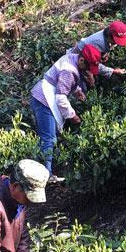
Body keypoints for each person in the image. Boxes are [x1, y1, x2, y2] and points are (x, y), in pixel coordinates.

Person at [29, 44, 101, 176]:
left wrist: (77, 90)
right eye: (88, 67)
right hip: (44, 100)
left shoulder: (72, 57)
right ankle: (46, 174)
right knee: (48, 138)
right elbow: (61, 98)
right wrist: (72, 115)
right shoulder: (69, 71)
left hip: (41, 97)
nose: (89, 72)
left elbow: (63, 82)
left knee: (49, 136)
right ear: (81, 60)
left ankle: (44, 169)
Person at [68, 20, 126, 84]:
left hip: (86, 56)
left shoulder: (108, 34)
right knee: (83, 82)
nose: (116, 43)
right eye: (115, 41)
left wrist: (105, 54)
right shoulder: (98, 42)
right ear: (109, 36)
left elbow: (110, 45)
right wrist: (113, 71)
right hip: (76, 59)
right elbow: (95, 65)